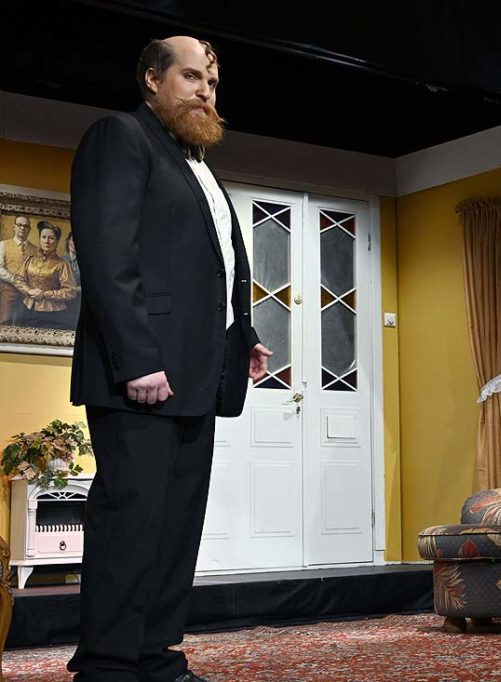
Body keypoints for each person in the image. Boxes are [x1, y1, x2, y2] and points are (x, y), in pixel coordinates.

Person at [67, 36, 272, 681]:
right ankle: (107, 667)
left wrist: (241, 335)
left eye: (211, 82)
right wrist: (137, 360)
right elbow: (108, 256)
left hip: (196, 373)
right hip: (140, 374)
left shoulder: (198, 163)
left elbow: (209, 269)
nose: (205, 92)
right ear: (152, 80)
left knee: (176, 525)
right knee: (130, 523)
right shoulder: (120, 137)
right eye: (190, 77)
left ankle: (155, 657)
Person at [13, 221, 79, 329]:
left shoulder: (62, 264)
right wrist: (29, 291)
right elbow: (18, 278)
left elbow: (70, 291)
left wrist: (45, 294)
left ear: (57, 241)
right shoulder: (30, 260)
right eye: (43, 237)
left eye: (51, 238)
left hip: (52, 314)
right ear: (39, 239)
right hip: (27, 309)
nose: (47, 241)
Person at [0, 214, 40, 324]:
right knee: (5, 323)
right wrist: (15, 279)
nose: (23, 228)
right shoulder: (3, 245)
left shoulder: (36, 250)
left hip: (27, 297)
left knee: (24, 325)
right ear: (14, 227)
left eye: (26, 226)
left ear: (29, 229)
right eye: (19, 225)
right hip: (7, 293)